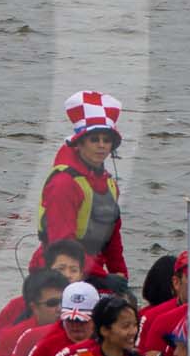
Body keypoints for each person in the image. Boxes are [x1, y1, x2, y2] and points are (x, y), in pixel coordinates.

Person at [29, 90, 127, 281]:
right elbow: (62, 246)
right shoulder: (63, 184)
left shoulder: (110, 185)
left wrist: (120, 276)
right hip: (56, 273)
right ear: (79, 143)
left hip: (92, 271)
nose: (101, 146)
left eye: (106, 140)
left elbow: (113, 240)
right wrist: (104, 279)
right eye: (94, 139)